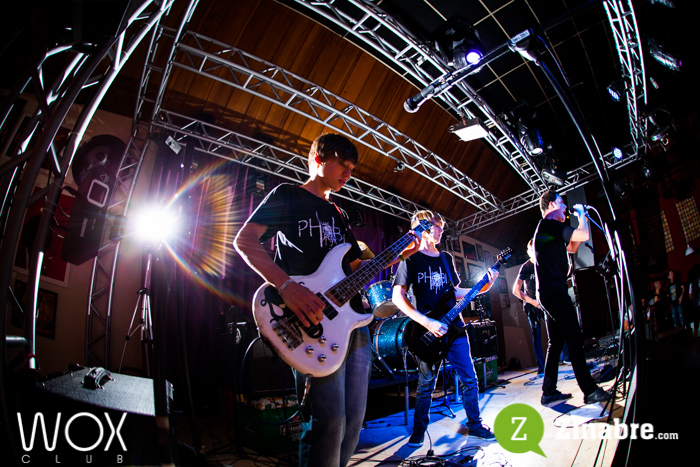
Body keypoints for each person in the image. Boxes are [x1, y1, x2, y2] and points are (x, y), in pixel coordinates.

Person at [234, 133, 417, 466]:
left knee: (353, 423)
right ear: (318, 159)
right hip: (310, 321)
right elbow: (245, 241)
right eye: (342, 164)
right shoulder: (288, 195)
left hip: (351, 322)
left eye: (352, 168)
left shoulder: (340, 213)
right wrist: (286, 286)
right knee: (328, 421)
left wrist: (395, 255)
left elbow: (353, 269)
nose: (348, 173)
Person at [391, 210, 497, 447]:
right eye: (436, 226)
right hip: (427, 331)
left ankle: (475, 425)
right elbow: (398, 298)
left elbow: (455, 292)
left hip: (454, 327)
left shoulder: (446, 258)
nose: (441, 230)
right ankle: (419, 432)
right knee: (426, 385)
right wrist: (427, 322)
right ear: (422, 228)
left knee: (470, 379)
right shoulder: (410, 259)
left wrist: (484, 287)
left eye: (441, 226)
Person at [533, 190, 610, 406]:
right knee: (574, 338)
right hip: (554, 293)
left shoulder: (549, 229)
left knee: (556, 342)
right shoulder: (549, 224)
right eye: (561, 202)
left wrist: (579, 222)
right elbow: (583, 235)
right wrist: (582, 215)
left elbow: (574, 246)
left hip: (548, 293)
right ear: (550, 205)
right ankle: (589, 389)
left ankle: (548, 392)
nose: (565, 207)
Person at [512, 239, 545, 375]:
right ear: (529, 251)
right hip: (532, 306)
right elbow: (515, 290)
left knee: (557, 330)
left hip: (545, 304)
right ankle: (541, 367)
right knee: (537, 337)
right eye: (532, 250)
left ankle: (564, 358)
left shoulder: (543, 264)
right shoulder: (525, 267)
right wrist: (532, 301)